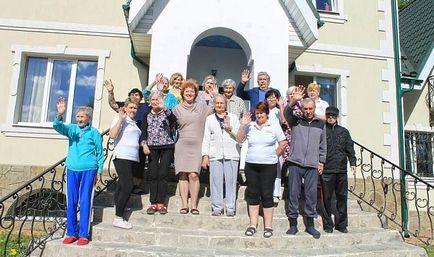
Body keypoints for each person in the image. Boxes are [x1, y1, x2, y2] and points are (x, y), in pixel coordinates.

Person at [53, 97, 103, 246]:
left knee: (85, 200)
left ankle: (83, 234)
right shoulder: (72, 129)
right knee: (72, 201)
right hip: (72, 168)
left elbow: (100, 153)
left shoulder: (94, 133)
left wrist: (99, 171)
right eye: (78, 116)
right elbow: (57, 126)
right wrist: (59, 114)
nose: (79, 119)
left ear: (88, 118)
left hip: (89, 169)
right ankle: (71, 232)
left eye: (82, 117)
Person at [237, 103, 287, 238]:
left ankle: (268, 226)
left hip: (268, 166)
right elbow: (239, 139)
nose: (259, 115)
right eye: (257, 113)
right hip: (251, 165)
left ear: (266, 113)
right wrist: (242, 125)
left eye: (262, 112)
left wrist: (274, 155)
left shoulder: (274, 125)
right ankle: (253, 225)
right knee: (252, 194)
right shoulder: (250, 126)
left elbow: (283, 143)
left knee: (266, 194)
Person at [284, 86, 326, 239]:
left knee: (310, 195)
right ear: (301, 109)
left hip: (311, 165)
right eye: (305, 108)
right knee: (294, 193)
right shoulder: (296, 120)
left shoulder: (320, 124)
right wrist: (293, 100)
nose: (308, 111)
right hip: (295, 162)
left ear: (314, 108)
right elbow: (287, 112)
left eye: (310, 108)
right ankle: (293, 224)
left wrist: (321, 161)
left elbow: (323, 145)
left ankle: (310, 225)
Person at [172, 79, 213, 215]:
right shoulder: (176, 109)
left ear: (196, 94)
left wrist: (213, 96)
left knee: (194, 175)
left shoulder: (201, 107)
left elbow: (214, 111)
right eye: (187, 91)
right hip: (181, 145)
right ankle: (184, 204)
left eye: (192, 91)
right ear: (183, 93)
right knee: (183, 175)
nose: (189, 93)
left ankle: (194, 205)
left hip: (197, 146)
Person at [104, 79, 150, 194]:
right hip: (127, 141)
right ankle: (127, 186)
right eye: (134, 94)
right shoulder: (124, 106)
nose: (136, 96)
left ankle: (135, 186)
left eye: (138, 94)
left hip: (140, 139)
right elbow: (113, 104)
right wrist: (110, 92)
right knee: (127, 168)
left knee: (140, 164)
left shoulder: (144, 106)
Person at [202, 95, 241, 217]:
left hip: (231, 154)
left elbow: (240, 136)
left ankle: (230, 207)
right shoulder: (209, 119)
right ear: (214, 104)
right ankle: (217, 207)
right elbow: (206, 138)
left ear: (226, 104)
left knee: (231, 181)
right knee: (215, 182)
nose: (219, 105)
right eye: (217, 103)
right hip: (215, 154)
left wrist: (230, 128)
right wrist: (205, 155)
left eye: (222, 103)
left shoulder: (233, 117)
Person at [320, 106, 356, 234]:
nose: (331, 118)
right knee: (326, 198)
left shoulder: (344, 132)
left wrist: (353, 162)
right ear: (326, 116)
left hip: (341, 170)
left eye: (333, 116)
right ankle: (328, 224)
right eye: (329, 115)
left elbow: (350, 148)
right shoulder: (321, 130)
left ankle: (341, 224)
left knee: (342, 197)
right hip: (326, 170)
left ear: (337, 117)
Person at [141, 92, 177, 215]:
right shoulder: (146, 114)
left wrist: (164, 108)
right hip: (152, 147)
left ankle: (161, 203)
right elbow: (144, 131)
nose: (155, 101)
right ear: (150, 101)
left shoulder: (166, 112)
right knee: (153, 173)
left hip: (167, 146)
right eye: (153, 99)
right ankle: (153, 202)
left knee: (163, 174)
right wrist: (144, 144)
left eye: (158, 99)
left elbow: (174, 121)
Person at [109, 98, 141, 229]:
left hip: (132, 158)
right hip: (122, 156)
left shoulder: (134, 123)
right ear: (125, 108)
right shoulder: (119, 119)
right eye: (131, 107)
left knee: (122, 185)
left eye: (135, 108)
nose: (133, 110)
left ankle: (118, 209)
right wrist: (121, 119)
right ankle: (118, 218)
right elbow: (112, 135)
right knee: (128, 186)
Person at [264, 89, 286, 204]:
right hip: (265, 142)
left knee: (276, 168)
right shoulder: (263, 111)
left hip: (277, 142)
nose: (271, 99)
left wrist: (281, 106)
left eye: (274, 97)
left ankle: (276, 193)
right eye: (269, 97)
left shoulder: (278, 111)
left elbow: (283, 121)